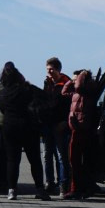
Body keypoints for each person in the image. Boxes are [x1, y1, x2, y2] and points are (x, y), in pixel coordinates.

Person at [0, 62, 51, 201]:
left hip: (9, 127)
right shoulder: (28, 90)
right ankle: (40, 189)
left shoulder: (2, 93)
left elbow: (1, 109)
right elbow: (45, 98)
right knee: (35, 160)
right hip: (29, 127)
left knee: (12, 160)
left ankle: (12, 190)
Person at [62, 69, 100, 199]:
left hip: (82, 127)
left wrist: (83, 74)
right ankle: (79, 188)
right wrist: (69, 81)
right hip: (76, 127)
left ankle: (77, 189)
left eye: (75, 79)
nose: (74, 82)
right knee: (76, 160)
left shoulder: (86, 88)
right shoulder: (77, 92)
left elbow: (78, 86)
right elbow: (64, 93)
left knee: (76, 160)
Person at [41, 57, 71, 196]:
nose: (49, 72)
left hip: (60, 125)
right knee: (47, 155)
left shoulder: (66, 83)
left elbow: (70, 105)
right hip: (48, 124)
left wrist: (65, 122)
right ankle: (49, 182)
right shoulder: (47, 83)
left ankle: (63, 184)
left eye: (51, 69)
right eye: (47, 69)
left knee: (61, 156)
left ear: (58, 69)